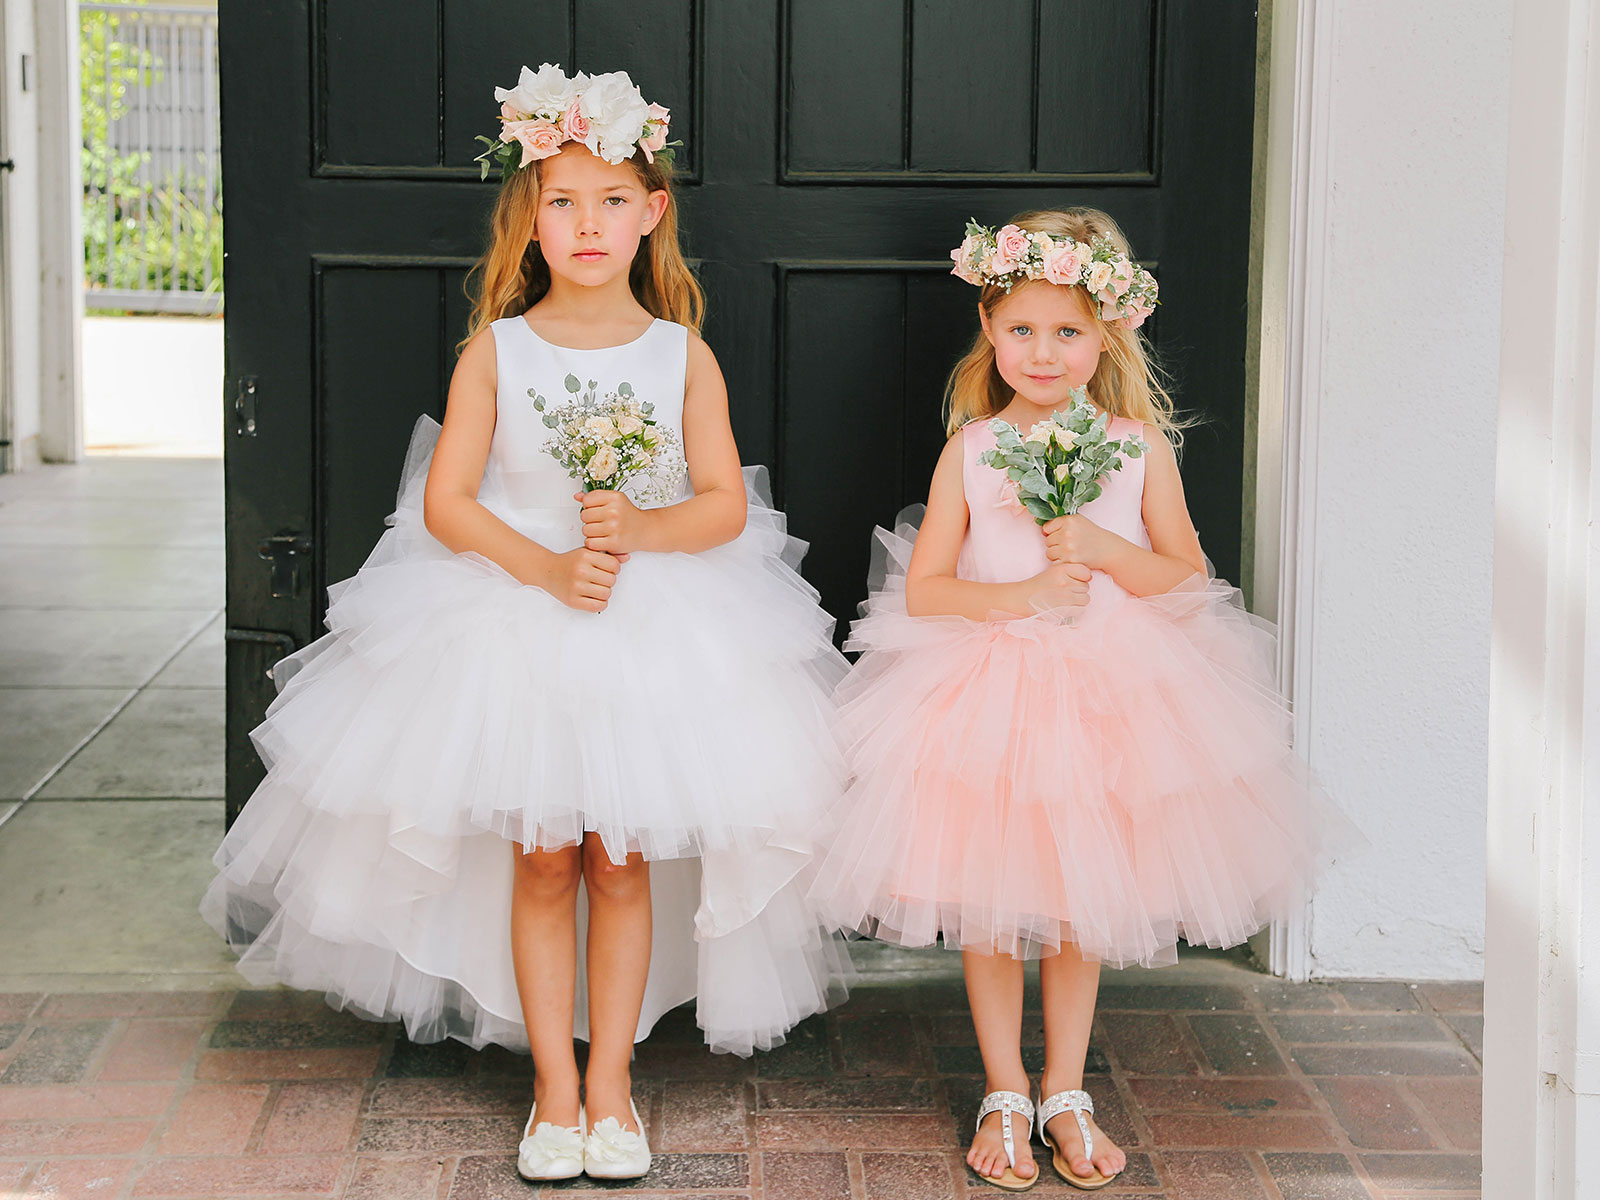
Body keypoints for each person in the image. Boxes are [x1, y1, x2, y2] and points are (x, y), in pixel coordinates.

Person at [203, 64, 849, 1184]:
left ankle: (613, 1084)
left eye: (610, 200)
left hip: (655, 635)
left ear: (652, 214)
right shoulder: (496, 354)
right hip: (515, 616)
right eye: (561, 201)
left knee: (620, 859)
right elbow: (448, 501)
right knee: (542, 859)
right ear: (529, 217)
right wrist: (550, 568)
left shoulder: (678, 354)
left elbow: (722, 504)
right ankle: (554, 1084)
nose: (587, 224)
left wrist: (636, 531)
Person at [809, 209, 1344, 1190]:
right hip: (988, 700)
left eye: (1065, 332)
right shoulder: (972, 447)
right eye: (1021, 330)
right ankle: (1004, 1089)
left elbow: (1186, 579)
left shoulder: (1134, 446)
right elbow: (926, 589)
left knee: (1079, 902)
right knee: (989, 898)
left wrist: (1103, 551)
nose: (1042, 352)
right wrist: (1017, 597)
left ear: (1106, 336)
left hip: (1112, 697)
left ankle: (1064, 1088)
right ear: (989, 325)